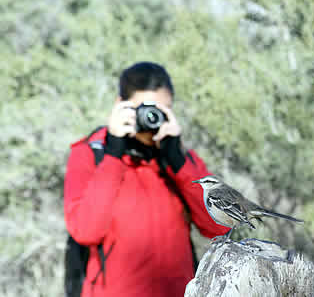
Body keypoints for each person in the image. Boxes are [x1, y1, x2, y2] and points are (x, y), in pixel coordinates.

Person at [63, 62, 229, 297]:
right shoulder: (90, 154)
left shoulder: (181, 160)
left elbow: (219, 226)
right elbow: (85, 230)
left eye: (162, 110)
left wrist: (178, 164)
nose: (152, 118)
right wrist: (113, 155)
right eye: (145, 109)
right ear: (120, 105)